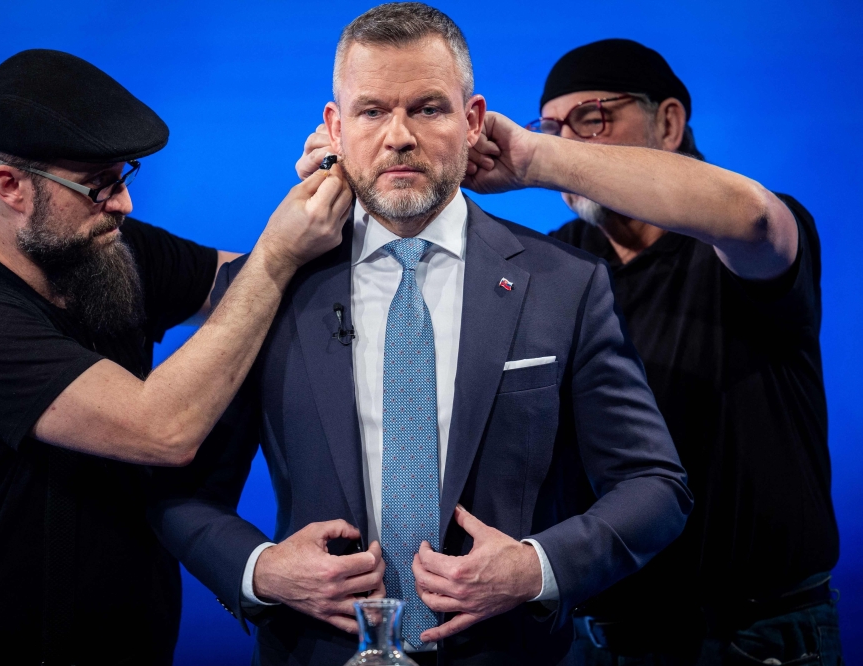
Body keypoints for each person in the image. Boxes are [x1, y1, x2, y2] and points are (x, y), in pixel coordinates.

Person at [151, 6, 692, 665]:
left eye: (428, 109)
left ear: (471, 120)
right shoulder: (270, 282)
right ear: (335, 127)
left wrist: (535, 568)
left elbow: (655, 486)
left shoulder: (567, 282)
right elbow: (177, 490)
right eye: (372, 111)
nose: (398, 137)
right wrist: (261, 570)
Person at [300, 38, 842, 665]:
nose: (569, 140)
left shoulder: (735, 248)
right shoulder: (554, 270)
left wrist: (534, 155)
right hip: (601, 634)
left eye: (592, 118)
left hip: (757, 635)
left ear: (668, 121)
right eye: (551, 125)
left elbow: (748, 216)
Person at [0, 49, 351, 666]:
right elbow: (161, 428)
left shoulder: (104, 247)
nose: (123, 205)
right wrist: (277, 253)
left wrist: (340, 178)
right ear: (9, 187)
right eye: (98, 186)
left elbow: (244, 293)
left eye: (123, 177)